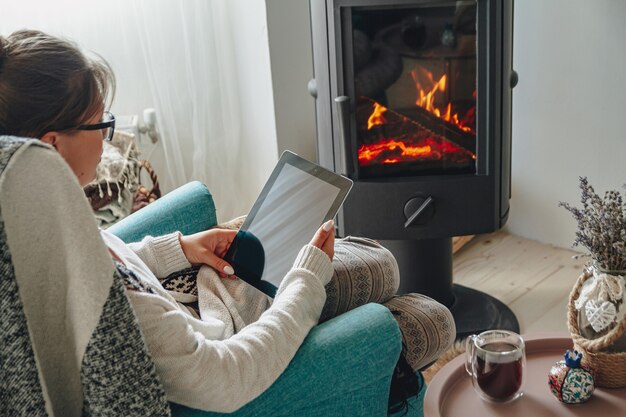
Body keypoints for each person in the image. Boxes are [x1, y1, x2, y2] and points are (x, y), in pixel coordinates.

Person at [0, 29, 455, 413]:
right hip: (236, 339)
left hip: (208, 290)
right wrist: (306, 282)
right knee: (431, 319)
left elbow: (111, 260)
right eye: (102, 126)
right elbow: (229, 376)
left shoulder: (29, 229)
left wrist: (180, 248)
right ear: (54, 146)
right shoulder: (115, 322)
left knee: (381, 266)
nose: (109, 137)